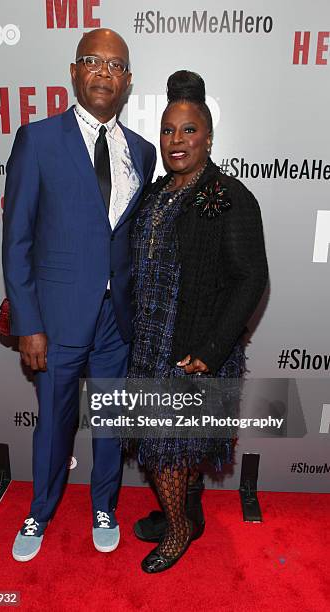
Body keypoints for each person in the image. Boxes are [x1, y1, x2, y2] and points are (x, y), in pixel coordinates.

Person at [2, 28, 156, 562]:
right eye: (92, 61)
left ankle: (104, 505)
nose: (103, 73)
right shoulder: (38, 139)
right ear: (74, 71)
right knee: (54, 424)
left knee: (112, 421)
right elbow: (17, 239)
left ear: (128, 81)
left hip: (117, 319)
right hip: (58, 318)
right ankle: (38, 511)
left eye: (115, 66)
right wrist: (28, 321)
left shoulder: (143, 150)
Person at [126, 70, 268, 573]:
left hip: (198, 353)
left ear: (209, 136)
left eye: (189, 130)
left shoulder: (232, 198)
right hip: (150, 347)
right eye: (168, 130)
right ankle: (186, 513)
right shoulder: (156, 193)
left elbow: (252, 279)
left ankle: (180, 531)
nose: (177, 140)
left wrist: (212, 348)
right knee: (174, 451)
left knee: (168, 449)